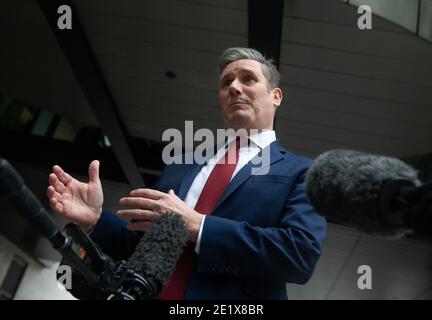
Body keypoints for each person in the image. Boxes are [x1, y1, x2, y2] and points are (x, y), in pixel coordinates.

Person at [47, 47, 326, 299]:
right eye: (226, 83)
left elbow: (299, 255)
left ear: (275, 96)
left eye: (248, 79)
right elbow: (140, 247)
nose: (234, 88)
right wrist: (96, 219)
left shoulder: (305, 172)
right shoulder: (180, 166)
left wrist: (198, 227)